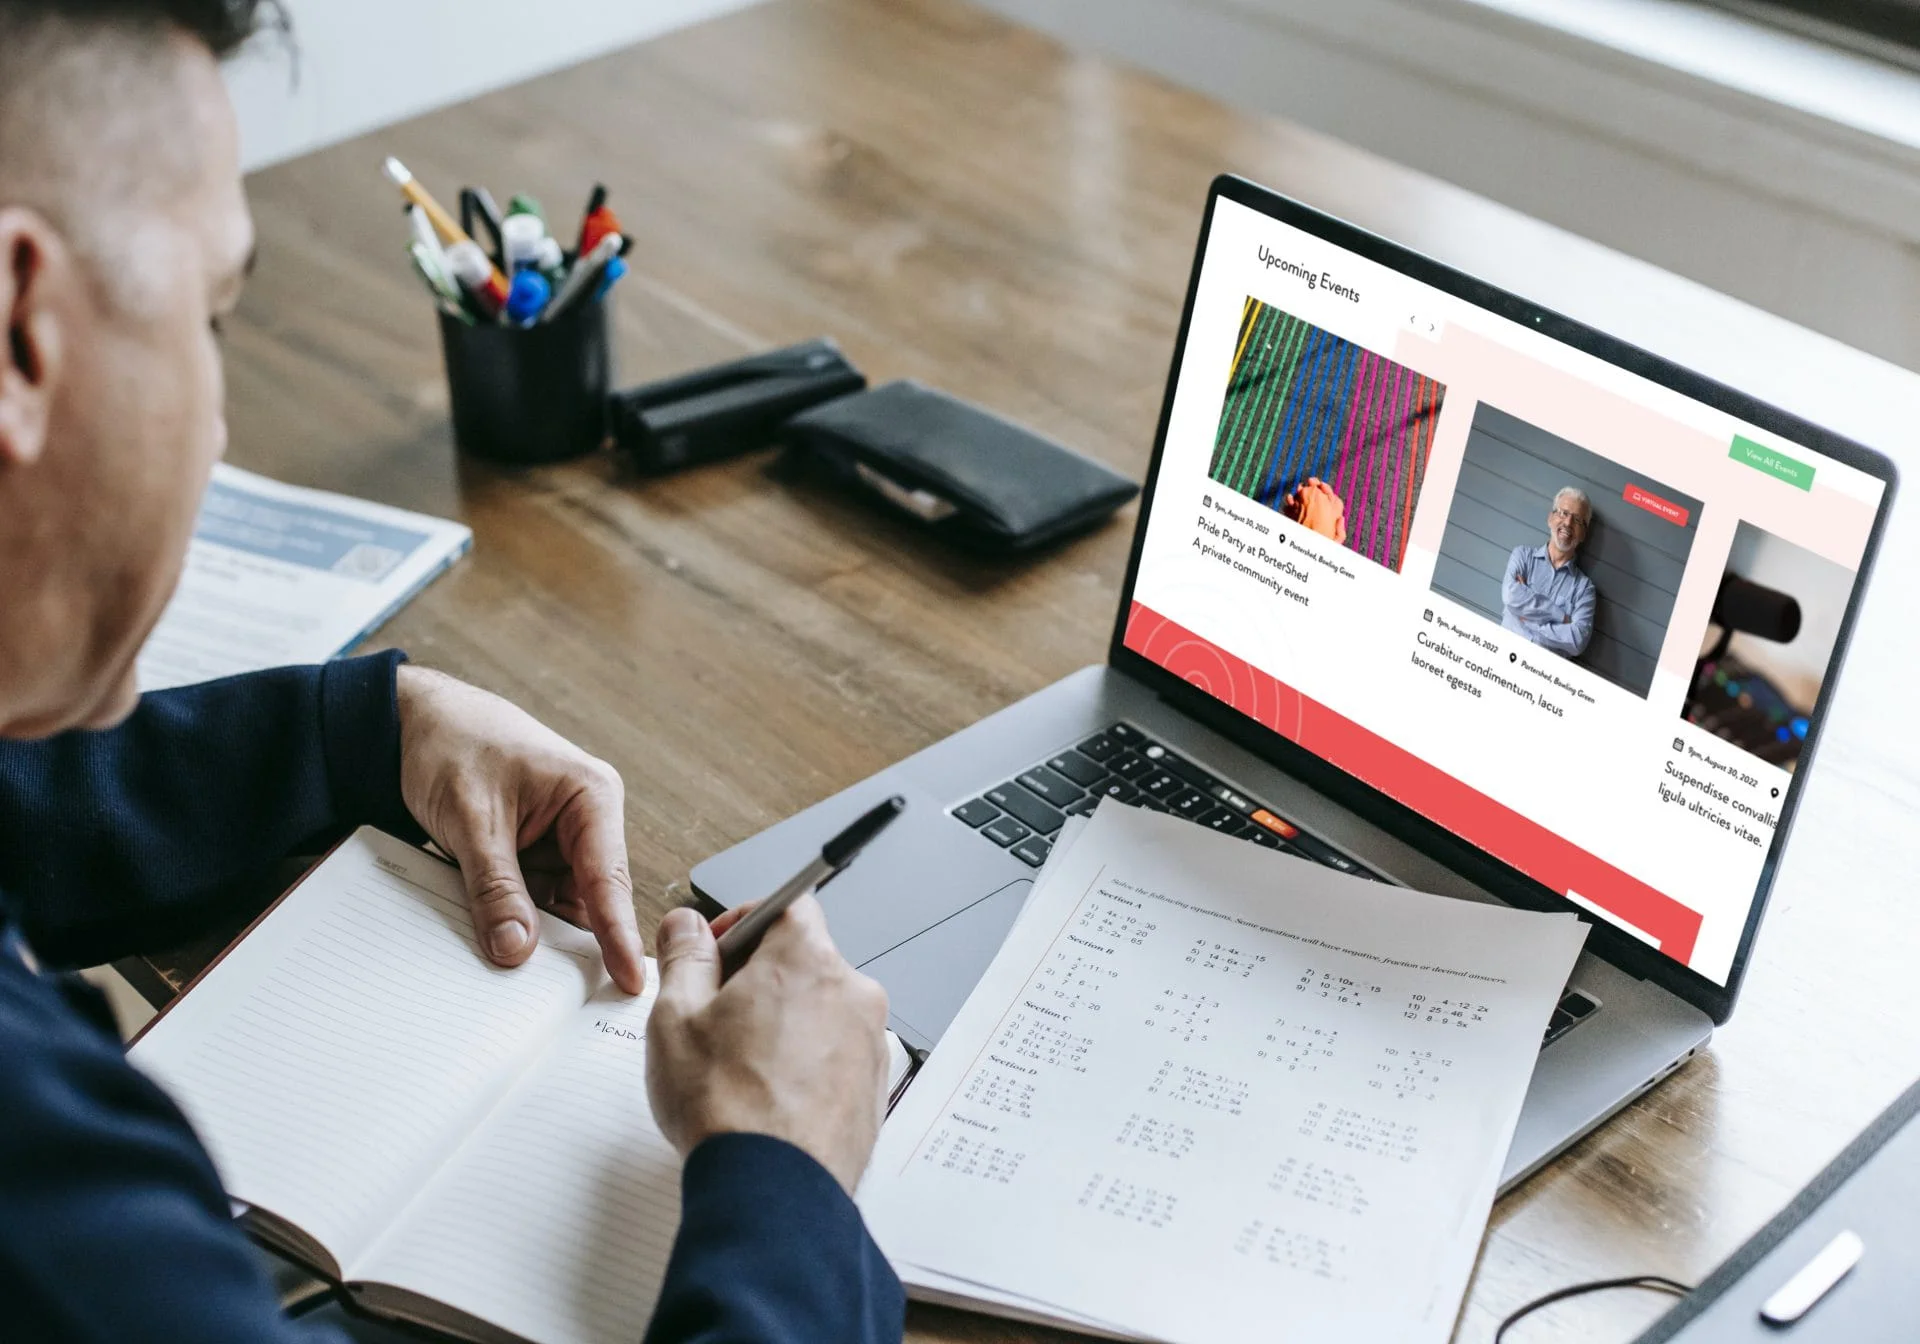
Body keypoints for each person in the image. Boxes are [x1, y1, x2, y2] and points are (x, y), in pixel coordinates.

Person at [0, 3, 902, 1341]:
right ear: (22, 330)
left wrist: (362, 731)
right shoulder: (51, 1201)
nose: (219, 419)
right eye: (211, 317)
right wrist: (789, 1189)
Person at [1501, 486, 1597, 658]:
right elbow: (1510, 596)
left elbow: (1577, 640)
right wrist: (1561, 617)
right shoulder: (1522, 556)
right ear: (1550, 518)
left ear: (1583, 534)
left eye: (1577, 520)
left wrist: (1530, 619)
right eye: (1563, 513)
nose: (1567, 523)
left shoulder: (1584, 589)